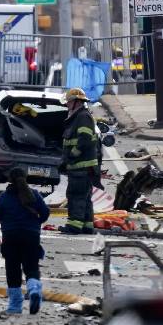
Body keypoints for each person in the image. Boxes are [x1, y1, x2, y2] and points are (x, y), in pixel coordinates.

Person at [0, 167, 50, 315]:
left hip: (10, 236)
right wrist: (36, 223)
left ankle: (15, 306)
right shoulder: (35, 195)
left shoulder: (5, 197)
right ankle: (34, 289)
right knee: (31, 266)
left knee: (12, 270)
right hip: (31, 235)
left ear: (9, 180)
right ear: (25, 178)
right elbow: (45, 213)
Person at [61, 87, 99, 235]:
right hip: (83, 167)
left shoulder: (82, 117)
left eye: (69, 102)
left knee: (75, 195)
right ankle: (87, 225)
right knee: (84, 197)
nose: (67, 105)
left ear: (77, 102)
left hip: (80, 166)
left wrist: (72, 155)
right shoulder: (78, 116)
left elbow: (84, 139)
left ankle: (74, 226)